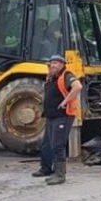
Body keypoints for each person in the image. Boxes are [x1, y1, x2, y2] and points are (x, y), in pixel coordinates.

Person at [34, 54, 82, 186]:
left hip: (64, 115)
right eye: (51, 63)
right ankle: (46, 169)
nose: (53, 65)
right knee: (46, 144)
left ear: (62, 64)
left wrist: (65, 101)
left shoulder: (66, 75)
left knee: (57, 144)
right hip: (51, 116)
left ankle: (60, 175)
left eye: (56, 63)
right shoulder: (51, 77)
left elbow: (78, 87)